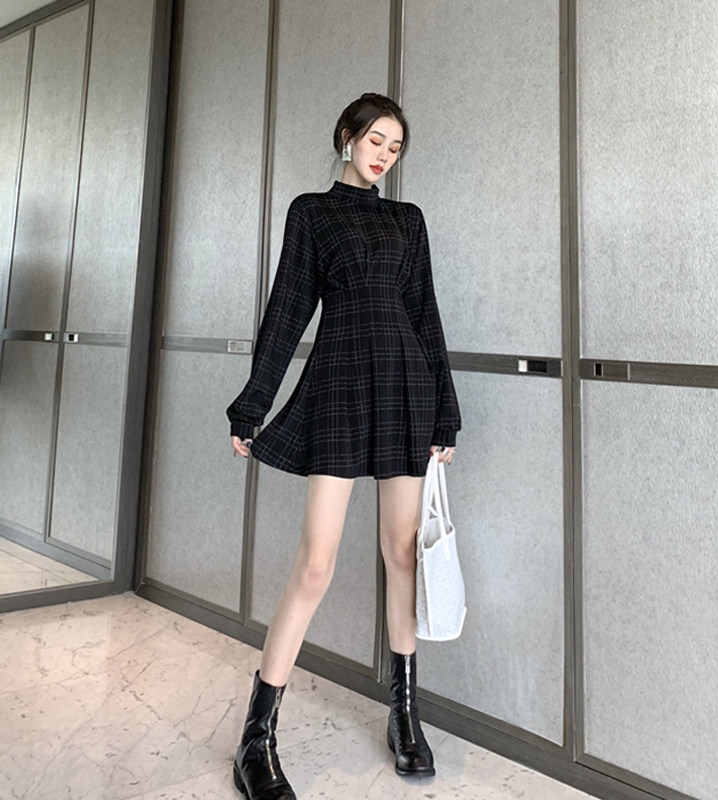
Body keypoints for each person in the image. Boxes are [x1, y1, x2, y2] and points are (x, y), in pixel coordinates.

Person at [226, 92, 461, 800]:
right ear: (347, 137)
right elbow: (287, 312)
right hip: (339, 387)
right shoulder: (311, 212)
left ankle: (404, 716)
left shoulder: (407, 220)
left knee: (401, 554)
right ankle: (256, 739)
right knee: (316, 564)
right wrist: (253, 404)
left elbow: (425, 316)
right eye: (376, 139)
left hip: (405, 390)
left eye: (396, 146)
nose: (385, 154)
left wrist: (445, 415)